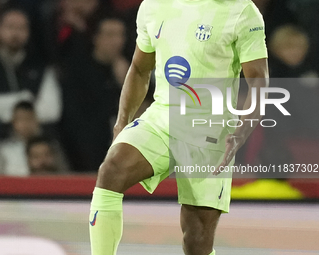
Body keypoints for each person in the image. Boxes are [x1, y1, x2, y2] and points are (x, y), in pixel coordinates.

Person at [89, 0, 269, 255]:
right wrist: (122, 123)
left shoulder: (242, 11)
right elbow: (140, 69)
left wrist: (240, 135)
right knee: (112, 168)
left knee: (197, 239)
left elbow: (259, 81)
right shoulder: (153, 6)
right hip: (163, 118)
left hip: (211, 131)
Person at [0, 8, 62, 157]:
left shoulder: (40, 66)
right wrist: (21, 100)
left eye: (21, 28)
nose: (15, 33)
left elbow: (52, 110)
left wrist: (9, 115)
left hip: (38, 148)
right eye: (10, 27)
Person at [59, 16, 128, 172]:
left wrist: (125, 83)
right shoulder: (77, 71)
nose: (117, 41)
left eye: (120, 35)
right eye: (110, 35)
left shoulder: (132, 69)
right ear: (96, 38)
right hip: (88, 153)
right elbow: (75, 120)